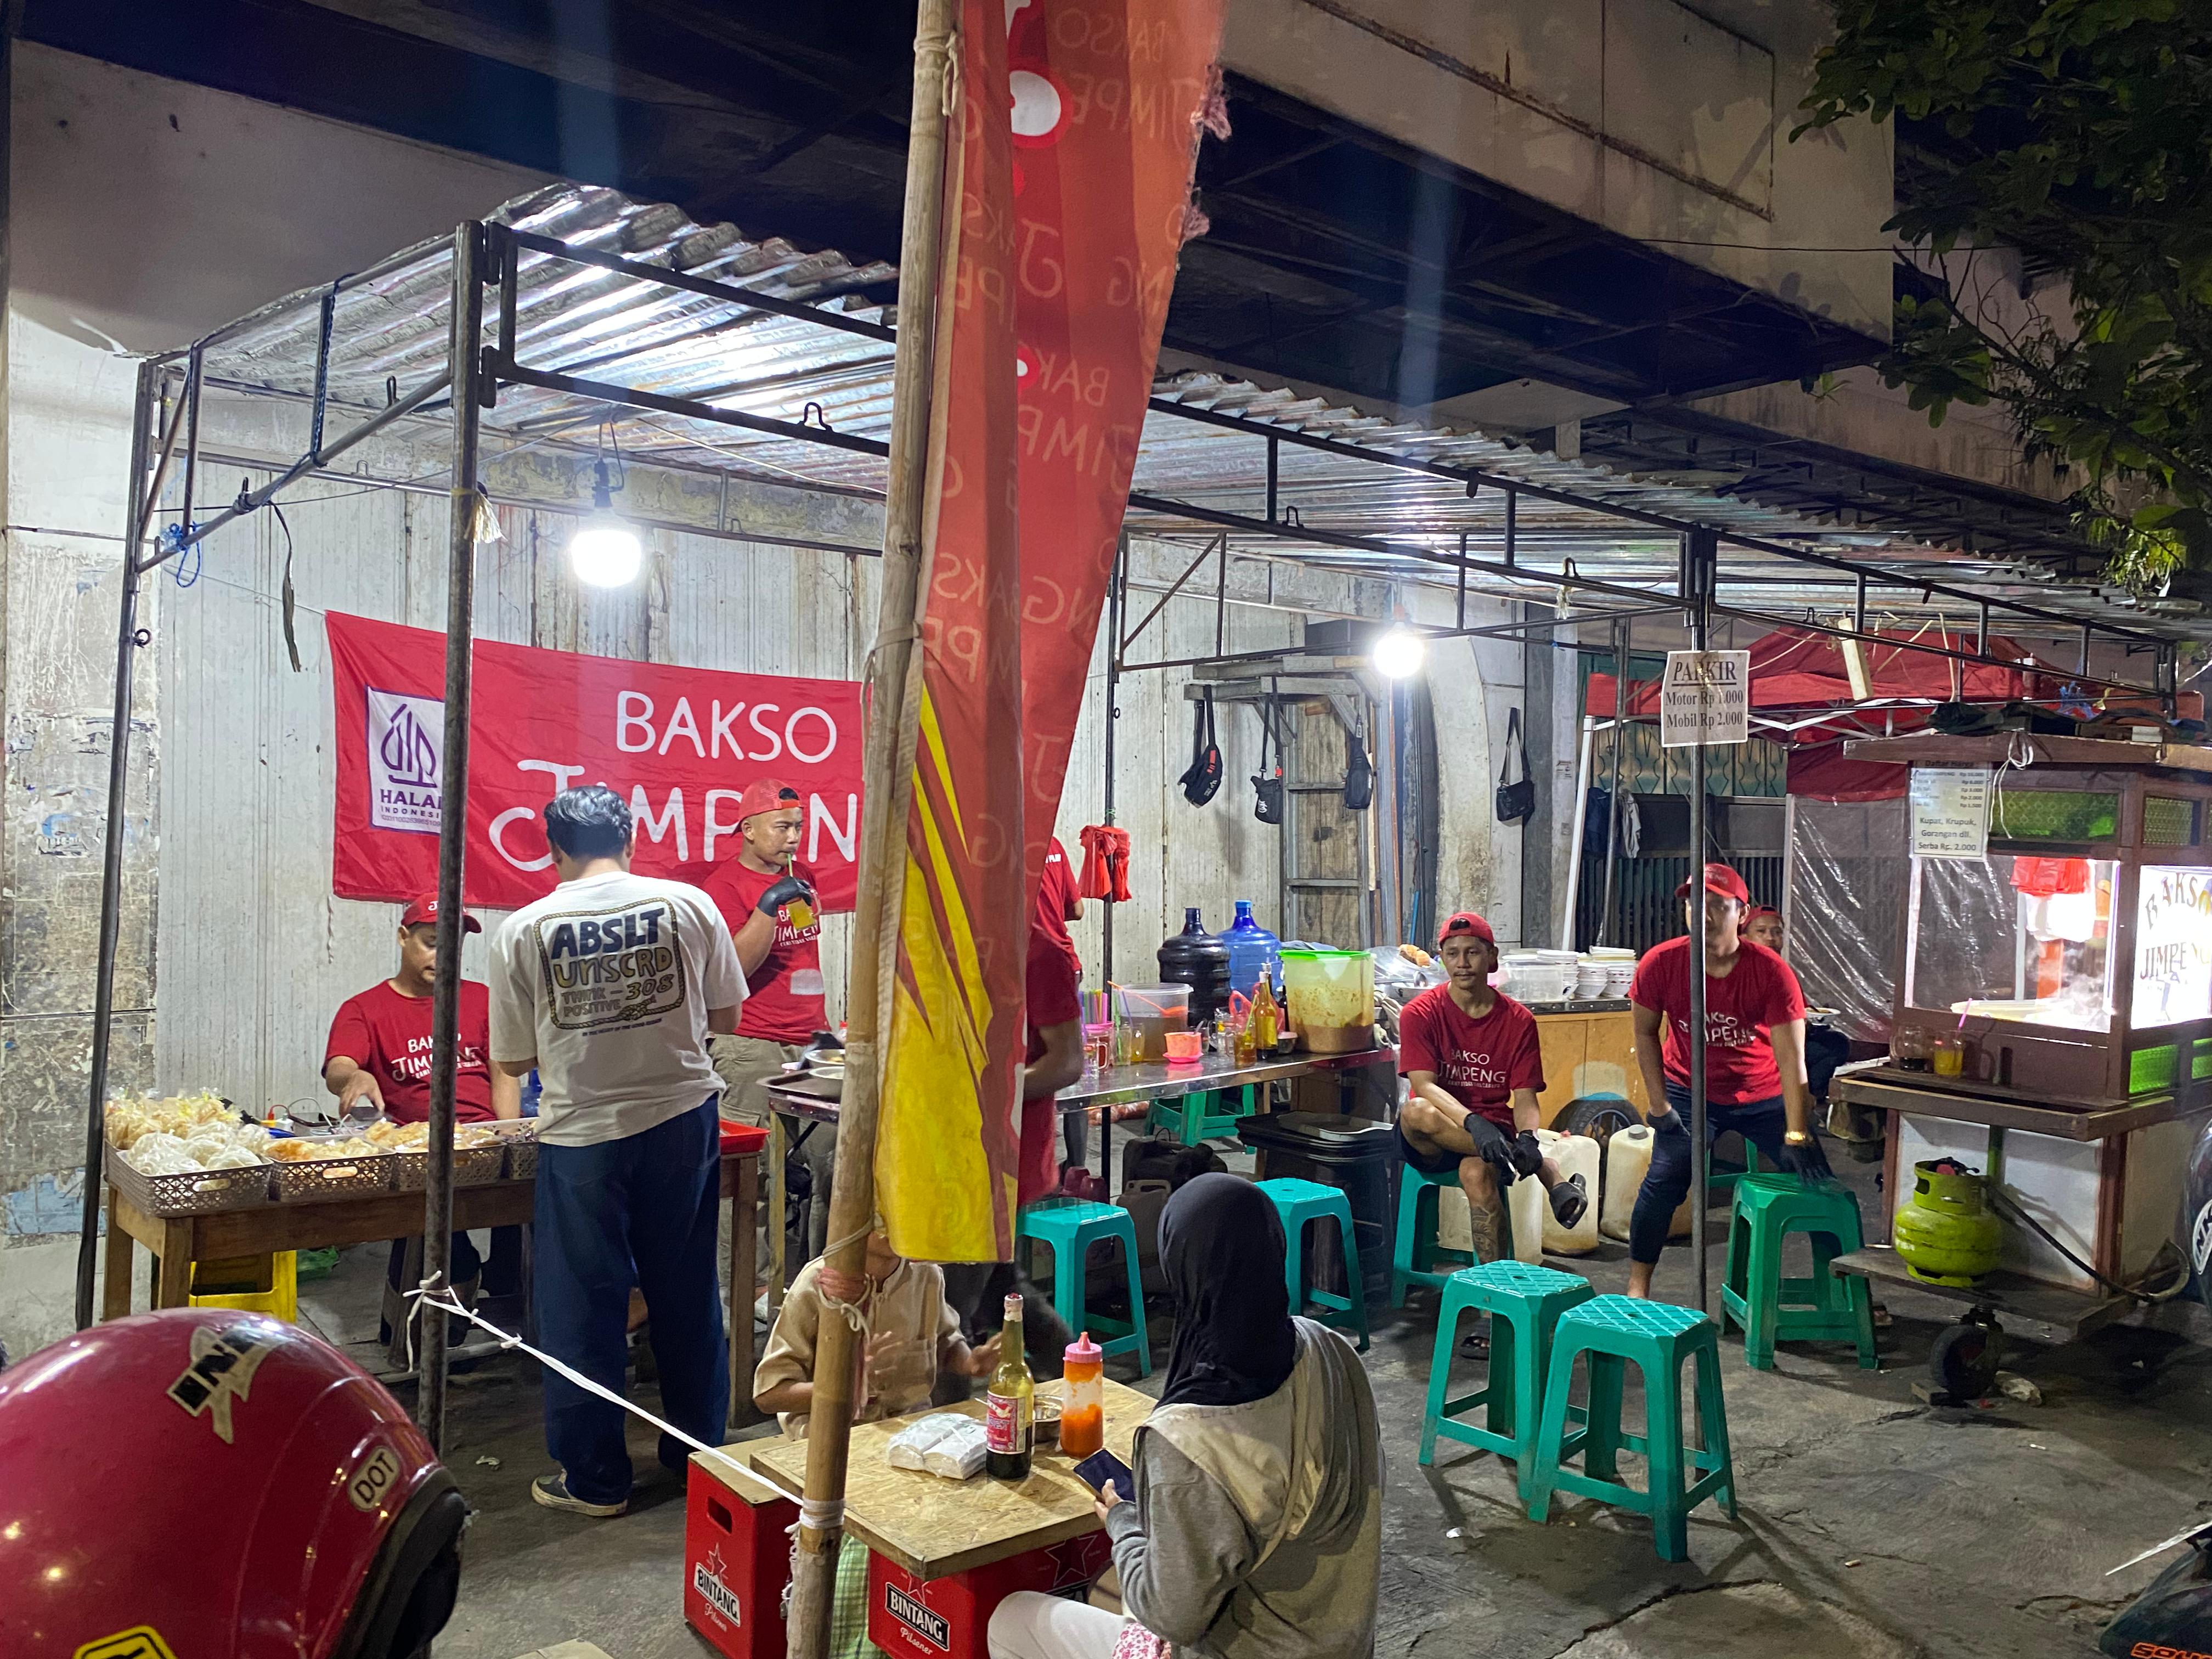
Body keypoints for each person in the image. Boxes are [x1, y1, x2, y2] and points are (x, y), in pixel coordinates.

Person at [986, 1174, 1383, 1659]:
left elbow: (1171, 1615)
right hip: (1343, 1645)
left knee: (1012, 1620)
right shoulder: (1331, 1351)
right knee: (1107, 1591)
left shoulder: (1191, 1438)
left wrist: (1124, 1522)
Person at [488, 784, 747, 1517]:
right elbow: (726, 1014)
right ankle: (698, 1458)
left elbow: (511, 1061)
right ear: (631, 840)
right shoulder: (689, 905)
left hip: (584, 1136)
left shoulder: (526, 930)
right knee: (688, 1293)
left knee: (583, 1309)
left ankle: (596, 1481)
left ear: (555, 851)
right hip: (681, 1119)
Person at [322, 894, 521, 1347]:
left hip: (482, 1143)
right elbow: (339, 1067)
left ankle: (517, 1320)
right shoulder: (365, 1008)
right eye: (432, 943)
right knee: (443, 1246)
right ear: (403, 938)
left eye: (452, 947)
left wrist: (509, 1138)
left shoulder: (482, 1000)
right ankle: (420, 1338)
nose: (442, 957)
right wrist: (357, 1075)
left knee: (532, 1224)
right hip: (416, 1153)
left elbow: (504, 1074)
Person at [1626, 862, 1831, 1300]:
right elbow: (1645, 1033)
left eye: (1717, 905)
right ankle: (1638, 1285)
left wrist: (1797, 1132)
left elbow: (1793, 1060)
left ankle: (1845, 1286)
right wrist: (1659, 1105)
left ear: (1742, 914)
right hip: (1689, 1090)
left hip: (1764, 1094)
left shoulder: (1772, 972)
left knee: (1818, 1182)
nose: (1703, 913)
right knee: (1664, 1180)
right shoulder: (1660, 964)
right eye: (1694, 903)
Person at [1395, 911, 1588, 1265]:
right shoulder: (1419, 1013)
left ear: (1493, 958)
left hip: (1494, 1136)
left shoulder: (1519, 1021)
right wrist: (1472, 1122)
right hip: (1433, 1133)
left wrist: (1528, 1135)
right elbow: (1423, 1086)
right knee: (1416, 1111)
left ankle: (1493, 1293)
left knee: (1476, 1175)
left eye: (1473, 952)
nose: (1462, 963)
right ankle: (1549, 1172)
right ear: (1443, 960)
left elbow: (1526, 1096)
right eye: (1452, 953)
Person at [943, 919, 1087, 1379]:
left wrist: (985, 1095)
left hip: (996, 1159)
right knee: (1004, 1294)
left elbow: (1067, 1062)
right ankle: (1077, 1387)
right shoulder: (945, 937)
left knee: (948, 1314)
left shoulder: (1038, 949)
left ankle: (945, 1436)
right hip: (950, 1146)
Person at [701, 778, 833, 1268]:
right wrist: (766, 906)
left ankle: (822, 1279)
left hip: (812, 1045)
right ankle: (746, 1289)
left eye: (799, 826)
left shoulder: (807, 877)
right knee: (749, 1177)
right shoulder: (722, 887)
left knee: (833, 1164)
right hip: (751, 1043)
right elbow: (730, 970)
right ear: (749, 830)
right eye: (782, 827)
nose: (794, 837)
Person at [1743, 905, 1852, 1102]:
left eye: (1777, 932)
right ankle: (1795, 1098)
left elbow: (1801, 1010)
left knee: (1837, 1043)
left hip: (1791, 1038)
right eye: (1761, 931)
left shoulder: (1782, 971)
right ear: (1745, 937)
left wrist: (1813, 1020)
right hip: (1761, 1043)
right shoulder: (1743, 970)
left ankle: (1808, 1097)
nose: (1770, 938)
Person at [1035, 834, 1091, 1184]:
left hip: (1034, 964)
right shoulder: (1051, 844)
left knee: (1050, 1064)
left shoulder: (991, 849)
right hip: (1067, 962)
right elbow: (1078, 909)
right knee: (1066, 1066)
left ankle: (1052, 1176)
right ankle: (1076, 1168)